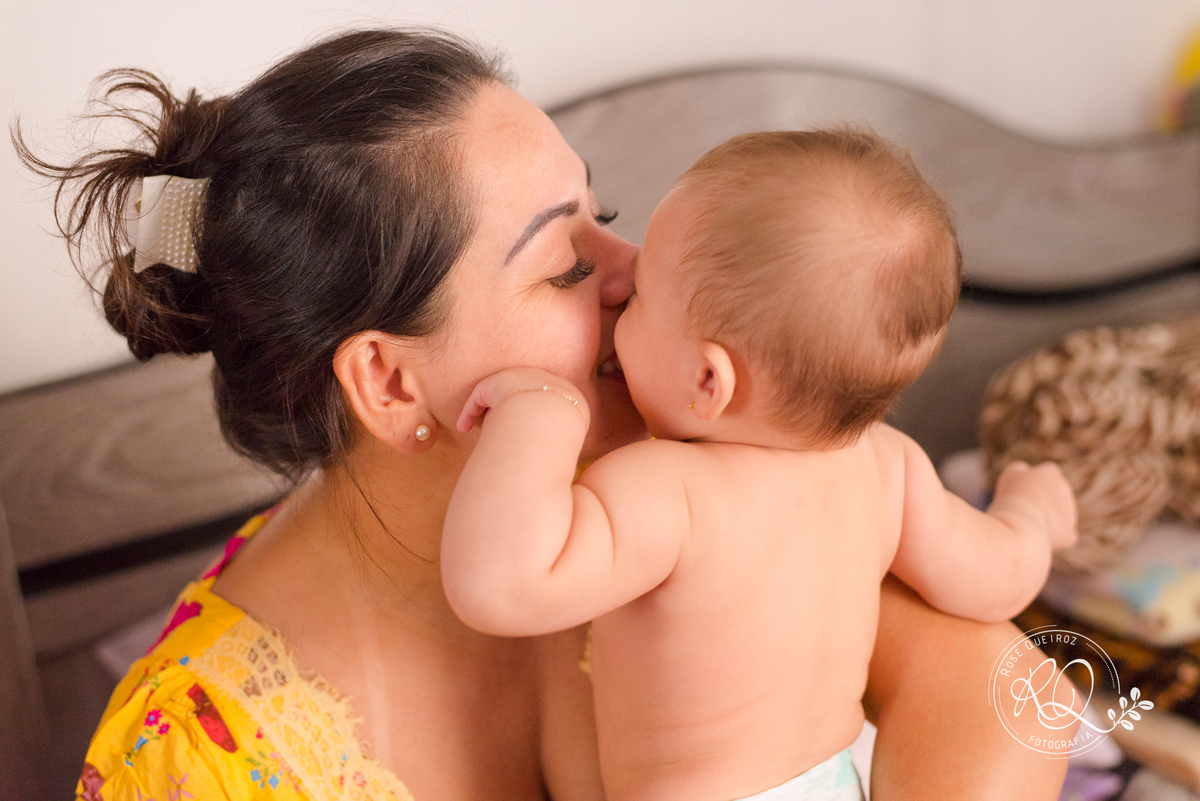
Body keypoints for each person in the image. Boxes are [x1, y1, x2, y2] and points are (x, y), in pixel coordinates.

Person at [17, 27, 1077, 801]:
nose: (635, 276)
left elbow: (1019, 685)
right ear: (389, 384)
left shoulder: (667, 491)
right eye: (567, 260)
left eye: (604, 218)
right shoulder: (203, 763)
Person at [440, 130, 1079, 801]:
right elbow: (999, 580)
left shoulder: (667, 490)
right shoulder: (890, 470)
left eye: (641, 300)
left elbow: (500, 585)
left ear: (709, 382)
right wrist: (1030, 508)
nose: (621, 288)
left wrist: (540, 410)